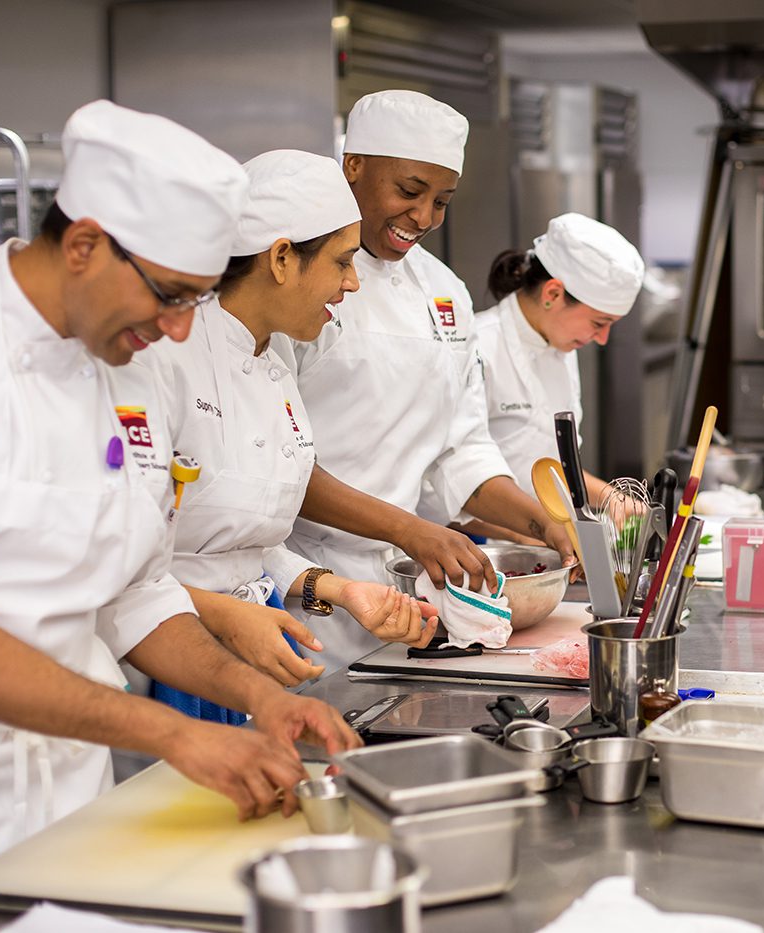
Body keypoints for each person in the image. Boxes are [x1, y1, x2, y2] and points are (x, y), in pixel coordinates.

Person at [0, 101, 359, 918]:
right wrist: (170, 732)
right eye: (171, 296)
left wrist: (257, 696)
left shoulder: (120, 371)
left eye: (194, 302)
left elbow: (135, 593)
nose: (177, 331)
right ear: (85, 244)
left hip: (78, 810)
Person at [123, 149, 439, 714]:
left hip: (250, 645)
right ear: (282, 259)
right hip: (160, 662)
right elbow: (124, 570)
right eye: (342, 263)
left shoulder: (277, 358)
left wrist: (337, 590)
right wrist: (224, 615)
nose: (352, 284)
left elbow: (248, 543)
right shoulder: (162, 360)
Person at [278, 90, 575, 669]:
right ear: (352, 167)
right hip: (306, 584)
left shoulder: (443, 292)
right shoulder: (297, 283)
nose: (424, 217)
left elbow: (458, 447)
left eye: (442, 200)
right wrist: (411, 529)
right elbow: (277, 464)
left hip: (409, 588)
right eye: (409, 192)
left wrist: (542, 523)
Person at [474, 212, 645, 509]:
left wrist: (613, 500)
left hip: (543, 535)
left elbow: (554, 464)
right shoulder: (477, 346)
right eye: (598, 322)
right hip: (480, 542)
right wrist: (532, 533)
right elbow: (446, 482)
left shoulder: (560, 345)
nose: (602, 338)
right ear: (553, 293)